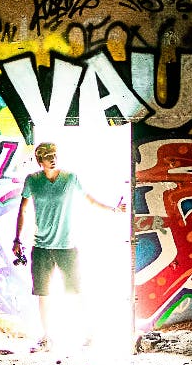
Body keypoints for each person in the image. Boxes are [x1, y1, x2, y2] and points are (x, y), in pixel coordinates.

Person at [12, 141, 125, 352]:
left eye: (54, 154)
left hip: (67, 245)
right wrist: (17, 239)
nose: (53, 158)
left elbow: (89, 200)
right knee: (43, 294)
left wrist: (113, 209)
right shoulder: (32, 181)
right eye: (48, 156)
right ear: (40, 160)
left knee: (75, 291)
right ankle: (47, 337)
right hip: (42, 246)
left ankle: (87, 334)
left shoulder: (70, 178)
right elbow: (23, 209)